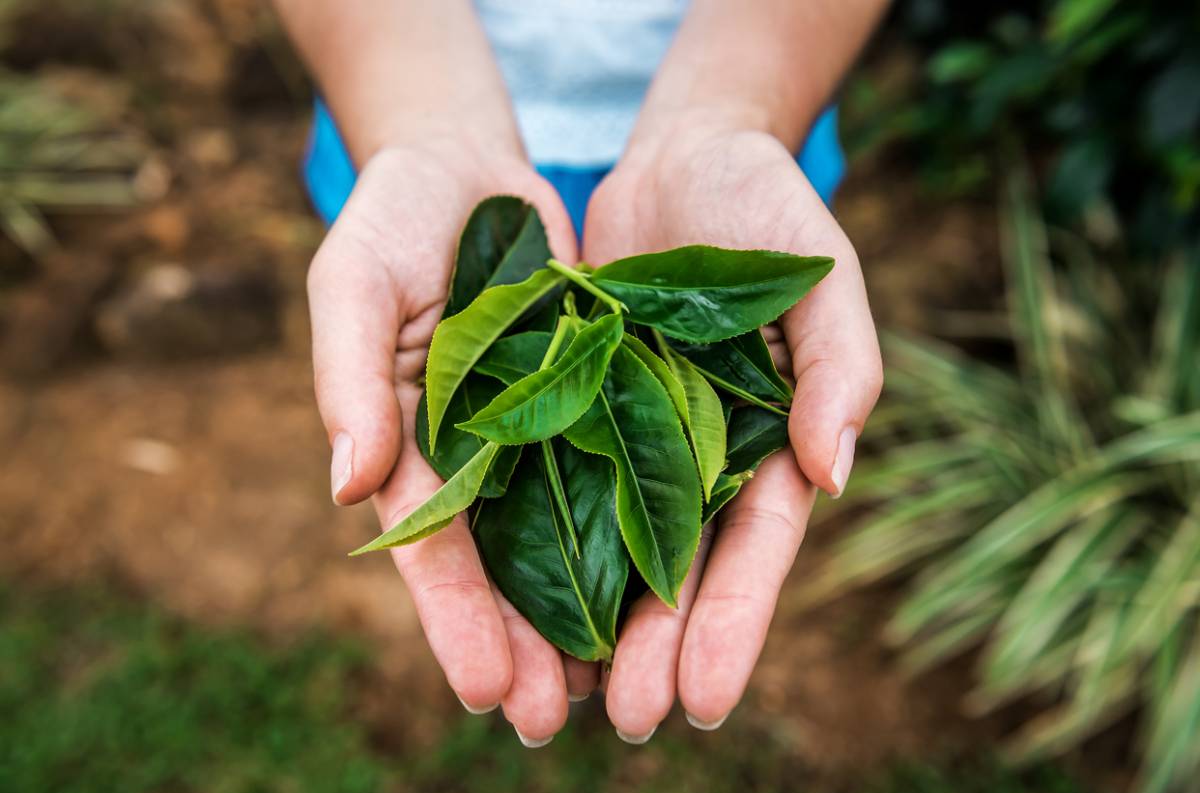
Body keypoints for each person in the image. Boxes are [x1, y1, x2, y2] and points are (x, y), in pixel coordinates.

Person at [274, 0, 886, 748]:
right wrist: (420, 130)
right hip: (402, 92)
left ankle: (601, 639)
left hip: (746, 99)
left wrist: (728, 115)